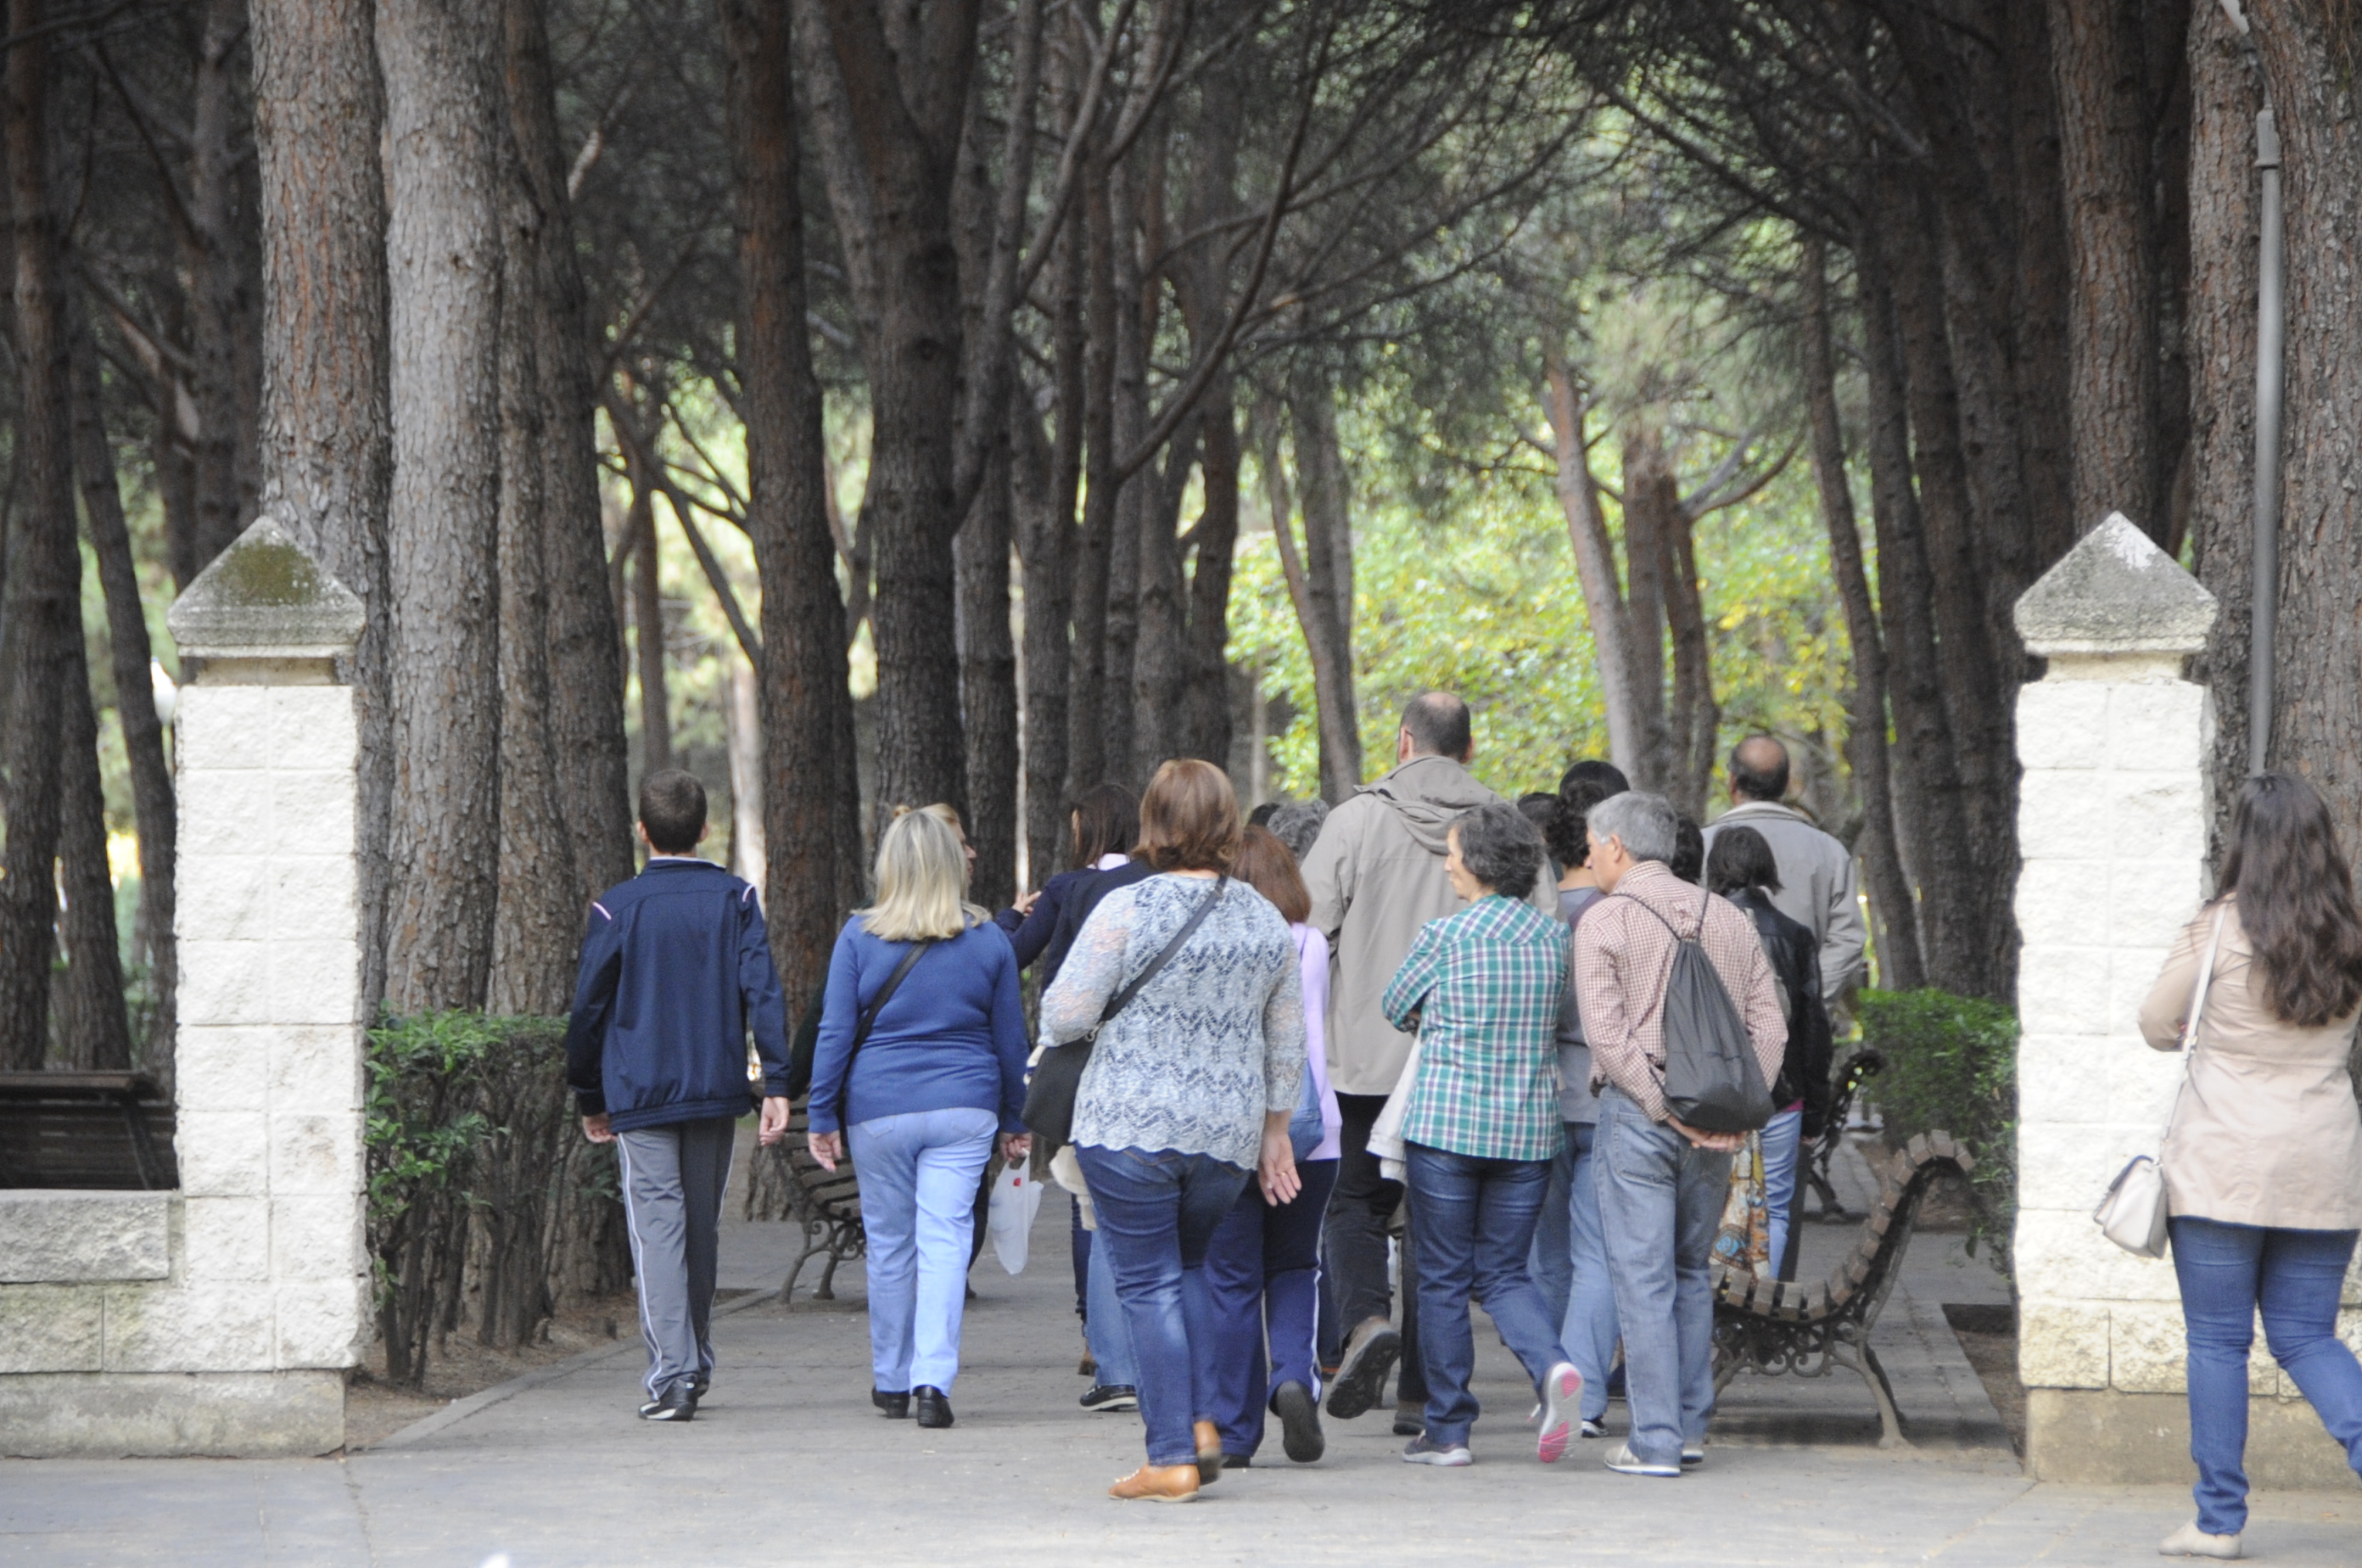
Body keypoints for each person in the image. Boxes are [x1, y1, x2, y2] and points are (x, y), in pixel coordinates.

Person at [1039, 759, 1306, 1504]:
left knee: (1146, 1283)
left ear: (1155, 820)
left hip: (1128, 1127)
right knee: (1188, 1271)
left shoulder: (1128, 906)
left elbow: (1064, 1015)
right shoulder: (1262, 918)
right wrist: (1275, 1130)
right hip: (1224, 1137)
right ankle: (1201, 1424)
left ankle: (1169, 1456)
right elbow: (1287, 1043)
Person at [1301, 691, 1549, 1432]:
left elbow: (1307, 928)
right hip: (1470, 1068)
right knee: (1436, 1237)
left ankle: (1364, 1323)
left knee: (1354, 1205)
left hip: (1364, 1062)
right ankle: (1420, 1395)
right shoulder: (1510, 830)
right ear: (1468, 750)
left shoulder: (1355, 822)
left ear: (1403, 741)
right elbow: (1545, 937)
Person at [2136, 772, 2362, 1560]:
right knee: (2307, 1337)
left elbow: (2156, 1022)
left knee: (2218, 1342)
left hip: (2223, 1160)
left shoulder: (2216, 928)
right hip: (2324, 1160)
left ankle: (2218, 1522)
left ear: (2245, 844)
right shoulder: (2352, 934)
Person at [564, 769, 792, 1424]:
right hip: (715, 1088)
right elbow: (763, 991)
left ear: (642, 831)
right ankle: (692, 1363)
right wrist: (775, 1079)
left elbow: (588, 1010)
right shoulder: (736, 899)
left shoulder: (617, 908)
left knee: (658, 1231)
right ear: (705, 828)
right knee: (698, 1228)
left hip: (639, 1092)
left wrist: (589, 1093)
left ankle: (675, 1375)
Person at [1574, 791, 1784, 1477]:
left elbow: (1607, 1039)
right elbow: (1771, 1028)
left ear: (1615, 847)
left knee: (1642, 1280)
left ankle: (1655, 1442)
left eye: (1591, 842)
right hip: (1716, 1130)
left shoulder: (1603, 921)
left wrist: (1666, 1110)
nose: (1588, 854)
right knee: (1692, 1273)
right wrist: (1734, 1113)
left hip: (1641, 1119)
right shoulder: (1728, 918)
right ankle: (1691, 1429)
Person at [805, 807, 1032, 1431]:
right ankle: (934, 1380)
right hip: (965, 1107)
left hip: (878, 1109)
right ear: (951, 863)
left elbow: (834, 1033)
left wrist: (822, 1112)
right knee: (945, 1242)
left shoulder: (858, 937)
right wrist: (1016, 1116)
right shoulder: (988, 940)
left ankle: (891, 1378)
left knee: (890, 1244)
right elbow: (1012, 1040)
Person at [1381, 801, 1585, 1468]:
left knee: (1440, 1276)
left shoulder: (1444, 938)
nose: (1447, 864)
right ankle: (1552, 1365)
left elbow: (1393, 1006)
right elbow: (1558, 1017)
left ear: (1477, 863)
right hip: (1527, 1131)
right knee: (1503, 1272)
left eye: (1452, 853)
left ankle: (1448, 1430)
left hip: (1445, 1126)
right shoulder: (1555, 941)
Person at [1201, 826, 1341, 1469]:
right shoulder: (1310, 944)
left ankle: (1234, 1432)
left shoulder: (1216, 946)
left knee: (1231, 1280)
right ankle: (1291, 1374)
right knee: (1294, 1267)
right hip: (1314, 1132)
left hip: (1229, 1134)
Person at [1528, 774, 1621, 1439]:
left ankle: (1553, 1378)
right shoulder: (1620, 914)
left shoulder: (1534, 917)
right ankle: (1583, 1395)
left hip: (1539, 1095)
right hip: (1606, 1092)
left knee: (1545, 1253)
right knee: (1599, 1250)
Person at [1704, 826, 1832, 1281]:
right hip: (1783, 1095)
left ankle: (1716, 1315)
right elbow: (1813, 1026)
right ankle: (1764, 1313)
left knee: (1715, 1204)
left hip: (1714, 1097)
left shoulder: (1700, 929)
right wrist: (1815, 1111)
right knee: (1776, 1207)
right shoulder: (1795, 936)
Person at [1700, 736, 1865, 1002]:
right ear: (1787, 784)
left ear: (1732, 782)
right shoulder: (1828, 850)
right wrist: (1806, 998)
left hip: (1719, 1024)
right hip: (1804, 1032)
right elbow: (1847, 939)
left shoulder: (1700, 846)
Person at [996, 783, 1139, 976]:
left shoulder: (1065, 888)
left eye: (1075, 832)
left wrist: (1010, 917)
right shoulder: (1156, 882)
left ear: (1087, 832)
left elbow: (1014, 954)